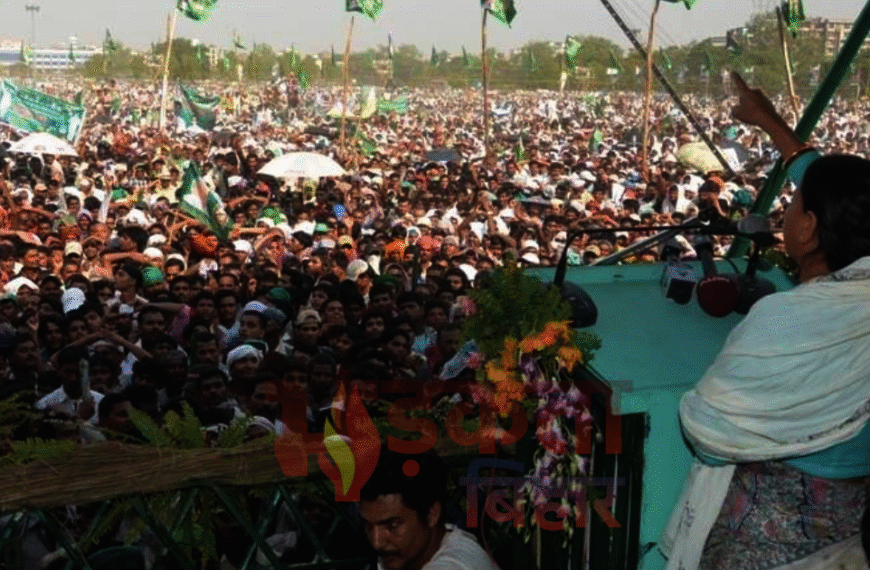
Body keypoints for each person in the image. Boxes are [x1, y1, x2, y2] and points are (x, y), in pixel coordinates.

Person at [661, 73, 870, 570]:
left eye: (794, 204)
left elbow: (707, 428)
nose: (788, 210)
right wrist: (769, 121)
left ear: (811, 226)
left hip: (762, 541)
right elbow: (837, 187)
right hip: (851, 536)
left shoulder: (786, 318)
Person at [359, 450, 498, 570]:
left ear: (432, 514)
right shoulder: (411, 557)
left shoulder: (457, 564)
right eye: (368, 526)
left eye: (392, 526)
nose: (376, 542)